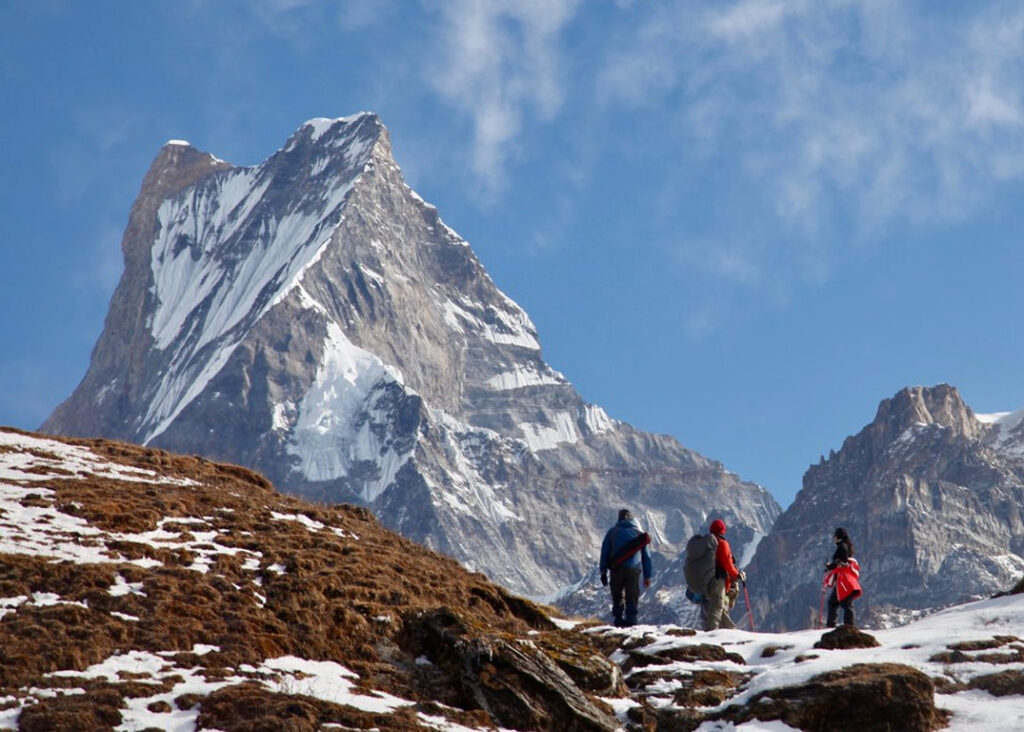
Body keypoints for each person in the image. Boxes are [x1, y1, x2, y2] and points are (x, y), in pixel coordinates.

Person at [599, 509, 652, 627]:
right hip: (634, 569)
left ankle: (618, 619)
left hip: (616, 569)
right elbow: (647, 557)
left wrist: (603, 571)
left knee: (617, 594)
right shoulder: (639, 534)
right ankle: (631, 621)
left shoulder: (612, 533)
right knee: (632, 595)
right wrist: (647, 576)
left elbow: (604, 552)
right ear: (632, 519)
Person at [704, 518, 744, 631]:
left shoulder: (707, 544)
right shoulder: (722, 544)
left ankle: (729, 631)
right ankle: (712, 633)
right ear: (722, 530)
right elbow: (727, 563)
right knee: (717, 607)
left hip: (706, 581)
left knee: (718, 607)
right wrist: (737, 575)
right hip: (718, 580)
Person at [824, 526, 861, 627]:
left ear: (838, 537)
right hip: (846, 580)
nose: (833, 538)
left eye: (834, 536)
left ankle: (845, 627)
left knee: (843, 603)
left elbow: (842, 561)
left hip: (843, 580)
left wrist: (830, 566)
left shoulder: (842, 547)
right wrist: (831, 566)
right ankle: (846, 626)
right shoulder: (846, 546)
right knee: (839, 602)